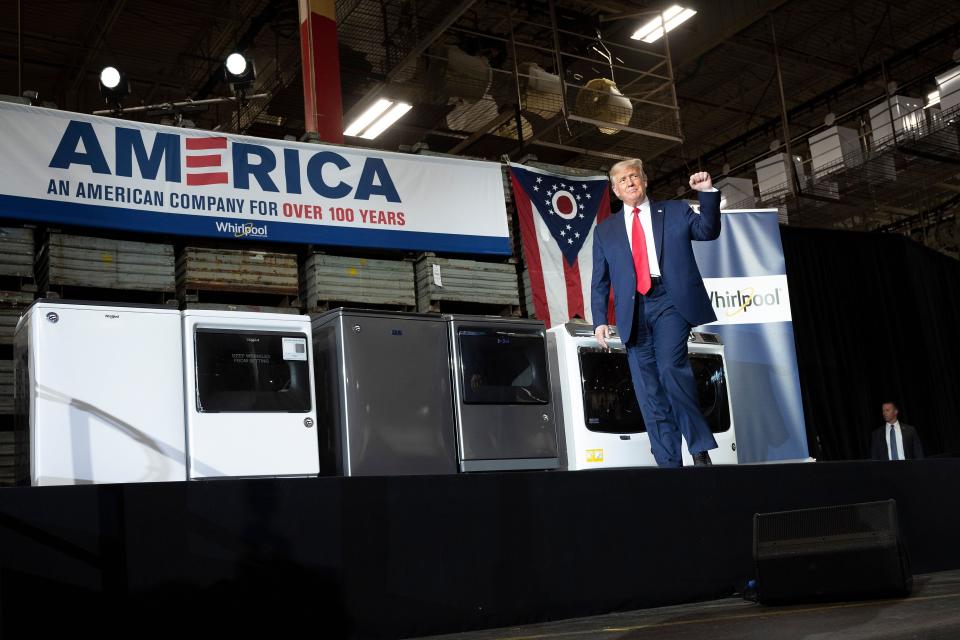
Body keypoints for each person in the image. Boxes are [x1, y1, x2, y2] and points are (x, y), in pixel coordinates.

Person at [591, 158, 721, 468]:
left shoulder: (675, 211)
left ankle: (699, 446)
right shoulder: (605, 231)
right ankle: (668, 463)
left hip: (669, 301)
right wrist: (599, 320)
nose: (630, 182)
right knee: (649, 392)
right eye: (623, 180)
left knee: (670, 368)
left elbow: (708, 230)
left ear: (645, 181)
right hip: (632, 310)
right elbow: (600, 281)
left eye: (634, 176)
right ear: (615, 190)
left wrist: (707, 192)